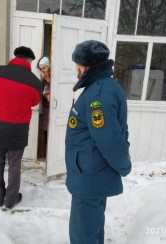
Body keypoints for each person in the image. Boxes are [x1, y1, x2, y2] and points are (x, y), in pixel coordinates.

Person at [65, 40, 132, 244]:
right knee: (92, 230)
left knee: (83, 236)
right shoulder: (102, 87)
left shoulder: (98, 95)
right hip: (91, 174)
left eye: (77, 63)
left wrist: (124, 166)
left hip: (89, 177)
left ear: (85, 66)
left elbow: (110, 140)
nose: (76, 68)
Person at [0, 46, 41, 209]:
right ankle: (11, 200)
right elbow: (35, 101)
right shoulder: (34, 81)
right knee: (14, 165)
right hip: (17, 131)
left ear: (15, 57)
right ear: (29, 60)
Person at [37, 56, 51, 148]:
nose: (43, 71)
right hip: (46, 111)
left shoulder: (53, 78)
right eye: (41, 69)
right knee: (46, 133)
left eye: (44, 68)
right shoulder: (43, 80)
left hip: (53, 111)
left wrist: (48, 80)